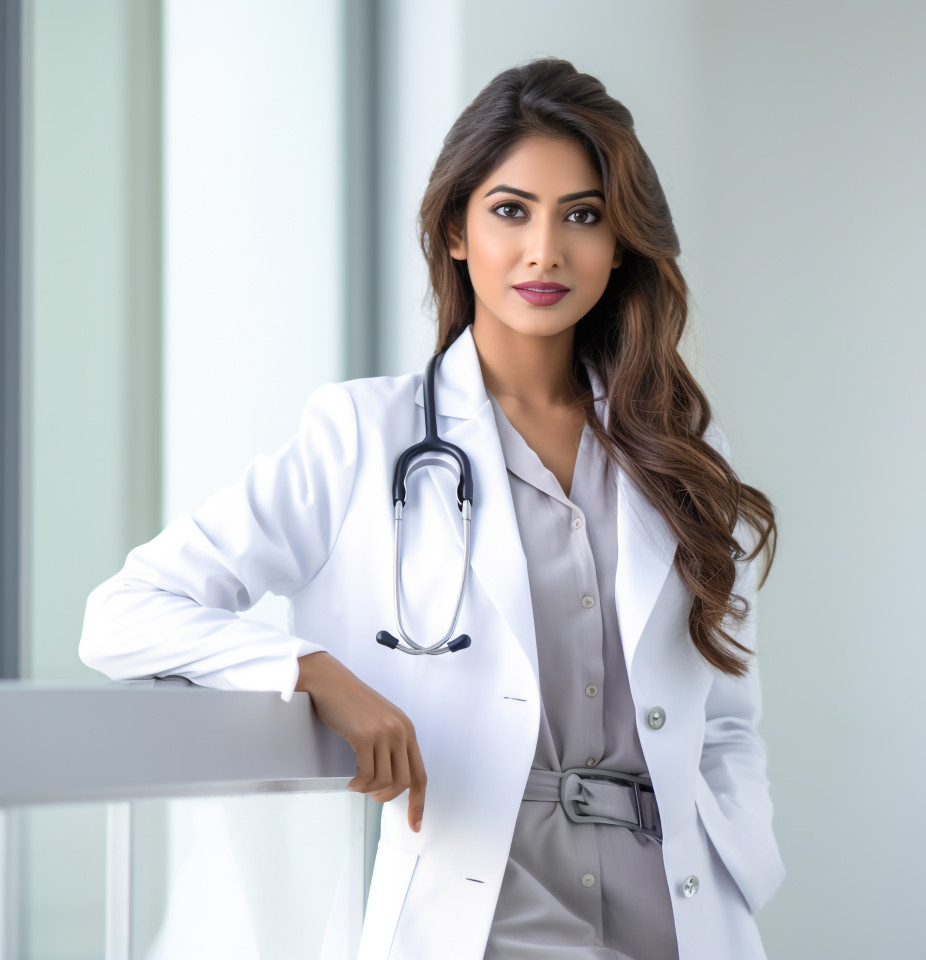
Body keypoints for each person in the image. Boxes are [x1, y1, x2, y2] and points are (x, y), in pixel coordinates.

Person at [80, 57, 784, 959]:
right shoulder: (361, 436)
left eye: (583, 215)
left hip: (683, 919)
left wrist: (744, 863)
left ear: (620, 243)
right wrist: (315, 673)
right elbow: (125, 613)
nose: (545, 251)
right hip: (491, 915)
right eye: (510, 210)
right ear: (455, 230)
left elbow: (726, 716)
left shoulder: (682, 450)